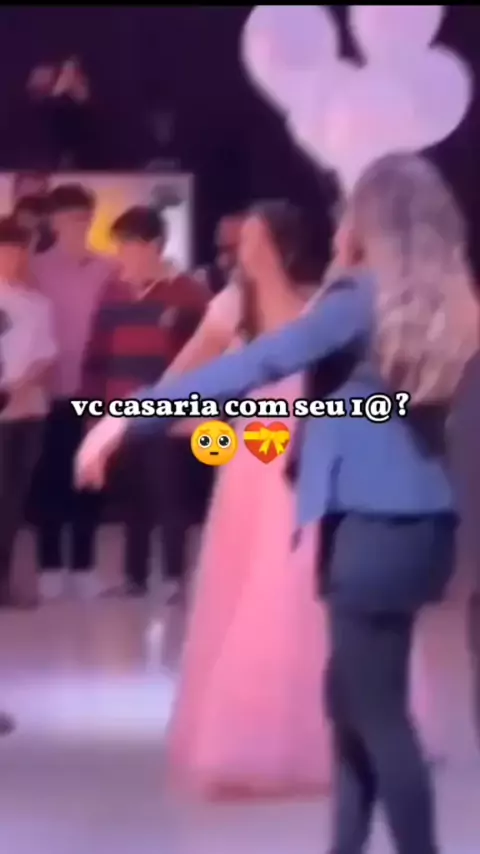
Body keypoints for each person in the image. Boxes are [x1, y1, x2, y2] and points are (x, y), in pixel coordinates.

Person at [76, 154, 477, 854]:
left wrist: (128, 417)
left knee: (378, 716)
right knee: (351, 705)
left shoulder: (359, 299)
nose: (341, 224)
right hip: (418, 527)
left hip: (370, 530)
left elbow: (260, 362)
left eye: (352, 213)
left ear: (373, 224)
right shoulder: (451, 303)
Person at [164, 200, 331, 796]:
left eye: (256, 239)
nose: (244, 251)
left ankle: (321, 734)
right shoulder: (231, 306)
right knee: (249, 584)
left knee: (306, 585)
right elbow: (180, 382)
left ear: (285, 246)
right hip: (256, 454)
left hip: (313, 452)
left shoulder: (323, 304)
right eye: (243, 241)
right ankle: (246, 736)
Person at [81, 206, 208, 598]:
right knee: (131, 496)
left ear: (154, 245)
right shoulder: (113, 291)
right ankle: (133, 577)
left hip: (169, 413)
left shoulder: (188, 293)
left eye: (129, 245)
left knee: (169, 495)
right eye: (119, 246)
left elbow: (209, 353)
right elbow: (96, 355)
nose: (122, 254)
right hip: (122, 410)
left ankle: (174, 578)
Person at [30, 184, 115, 601]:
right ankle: (49, 565)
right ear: (52, 221)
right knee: (49, 476)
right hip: (48, 389)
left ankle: (83, 565)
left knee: (91, 476)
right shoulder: (35, 268)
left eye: (82, 217)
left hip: (95, 389)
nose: (75, 226)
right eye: (66, 218)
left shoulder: (109, 268)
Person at [0, 219, 57, 609]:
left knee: (15, 501)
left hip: (29, 412)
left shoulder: (38, 304)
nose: (13, 257)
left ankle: (7, 582)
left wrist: (23, 384)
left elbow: (47, 355)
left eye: (20, 249)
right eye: (6, 249)